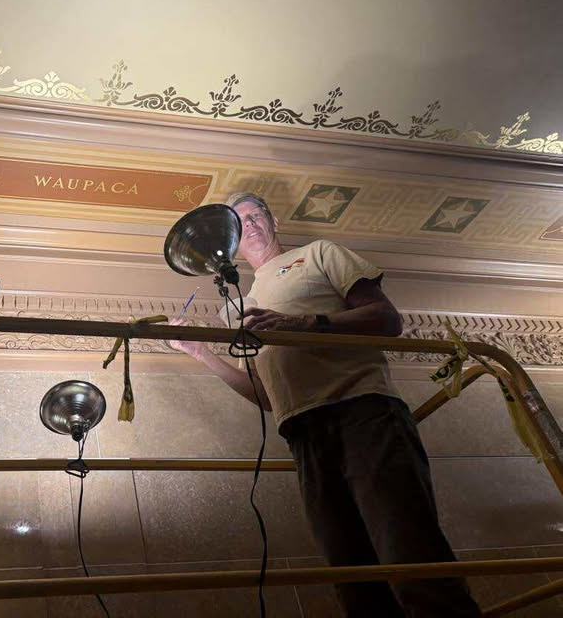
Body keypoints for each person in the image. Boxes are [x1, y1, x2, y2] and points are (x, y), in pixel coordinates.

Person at [170, 192, 480, 618]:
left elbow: (386, 320)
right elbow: (265, 395)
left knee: (408, 550)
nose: (251, 223)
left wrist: (305, 323)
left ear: (273, 219)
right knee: (351, 572)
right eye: (239, 221)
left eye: (256, 213)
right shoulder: (234, 310)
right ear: (231, 239)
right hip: (302, 433)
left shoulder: (318, 254)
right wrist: (200, 353)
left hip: (362, 411)